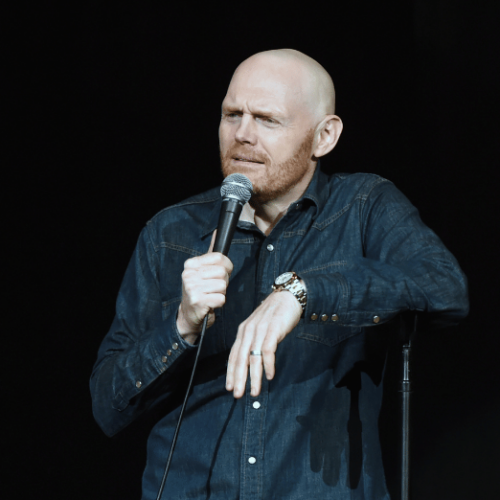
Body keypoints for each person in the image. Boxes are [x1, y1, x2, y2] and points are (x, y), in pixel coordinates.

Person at [90, 49, 469, 499]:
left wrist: (306, 291)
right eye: (232, 114)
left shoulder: (363, 207)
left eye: (267, 120)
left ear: (324, 136)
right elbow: (107, 406)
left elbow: (444, 288)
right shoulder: (171, 232)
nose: (243, 135)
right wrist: (182, 326)